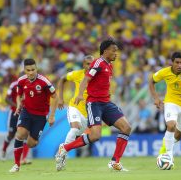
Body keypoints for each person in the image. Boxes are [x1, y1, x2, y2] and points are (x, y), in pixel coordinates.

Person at [55, 39, 132, 172]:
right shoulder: (98, 63)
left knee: (126, 127)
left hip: (106, 103)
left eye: (117, 51)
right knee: (95, 136)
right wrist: (79, 94)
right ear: (105, 51)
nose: (116, 53)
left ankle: (115, 162)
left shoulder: (109, 65)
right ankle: (65, 148)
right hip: (94, 103)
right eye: (114, 50)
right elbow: (86, 79)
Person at [148, 51, 181, 166]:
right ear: (171, 63)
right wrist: (156, 98)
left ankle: (165, 144)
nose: (179, 65)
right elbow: (151, 81)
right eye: (177, 62)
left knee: (178, 135)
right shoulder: (165, 72)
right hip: (171, 102)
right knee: (171, 125)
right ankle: (169, 156)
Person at [9, 58, 57, 173]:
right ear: (24, 70)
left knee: (31, 144)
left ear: (37, 68)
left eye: (33, 70)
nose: (31, 72)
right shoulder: (21, 81)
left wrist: (52, 116)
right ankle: (16, 165)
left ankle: (33, 137)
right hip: (27, 112)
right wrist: (19, 104)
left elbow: (55, 96)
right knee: (20, 134)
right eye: (28, 70)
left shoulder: (44, 81)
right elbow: (18, 95)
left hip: (41, 116)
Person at [57, 55, 94, 144]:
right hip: (75, 107)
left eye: (92, 64)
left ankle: (64, 150)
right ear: (83, 65)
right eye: (87, 64)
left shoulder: (97, 77)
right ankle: (62, 153)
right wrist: (60, 99)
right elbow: (62, 79)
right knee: (74, 128)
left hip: (86, 114)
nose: (90, 67)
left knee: (77, 136)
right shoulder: (77, 74)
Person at [1, 80, 31, 163]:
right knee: (11, 135)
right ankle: (3, 150)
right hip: (14, 113)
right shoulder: (14, 85)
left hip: (26, 113)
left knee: (25, 134)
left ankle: (23, 158)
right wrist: (17, 106)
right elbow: (6, 99)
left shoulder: (32, 84)